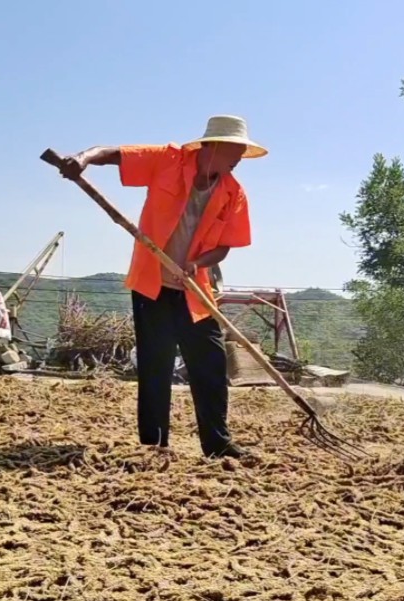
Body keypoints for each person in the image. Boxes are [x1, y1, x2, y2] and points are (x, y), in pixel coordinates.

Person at [57, 115, 267, 458]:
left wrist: (198, 263)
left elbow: (225, 246)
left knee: (211, 363)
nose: (239, 158)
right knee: (157, 363)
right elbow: (114, 154)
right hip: (151, 282)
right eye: (236, 151)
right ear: (214, 146)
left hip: (195, 289)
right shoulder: (168, 160)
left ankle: (218, 443)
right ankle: (154, 443)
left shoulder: (234, 193)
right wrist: (82, 159)